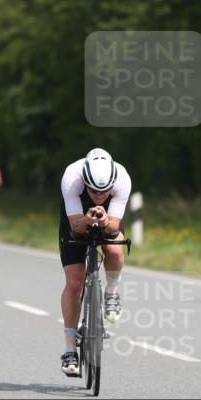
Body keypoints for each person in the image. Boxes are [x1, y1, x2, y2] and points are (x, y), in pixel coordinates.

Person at [58, 148, 132, 376]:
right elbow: (75, 226)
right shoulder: (72, 178)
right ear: (84, 182)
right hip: (76, 217)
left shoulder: (122, 179)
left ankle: (112, 292)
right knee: (74, 282)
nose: (99, 196)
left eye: (104, 192)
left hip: (110, 216)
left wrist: (106, 218)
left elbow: (114, 226)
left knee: (115, 249)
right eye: (93, 191)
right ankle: (70, 349)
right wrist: (85, 220)